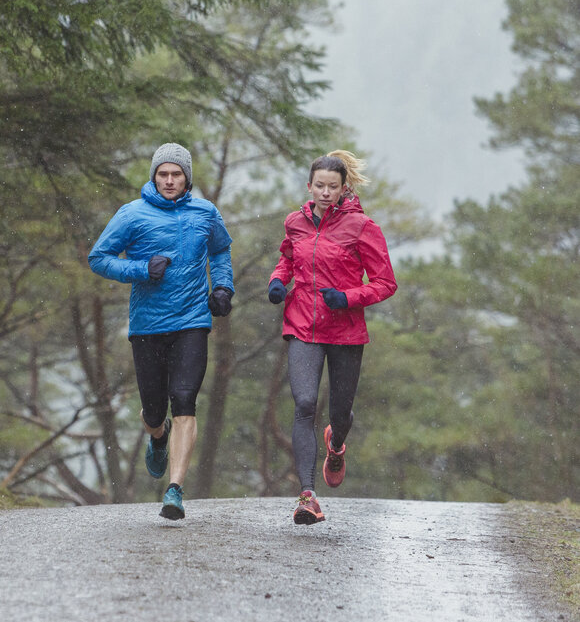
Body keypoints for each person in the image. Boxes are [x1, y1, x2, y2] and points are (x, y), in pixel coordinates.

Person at [88, 142, 234, 520]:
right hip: (148, 324)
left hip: (192, 321)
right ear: (154, 176)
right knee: (154, 409)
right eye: (163, 174)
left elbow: (220, 252)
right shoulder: (132, 214)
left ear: (187, 178)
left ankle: (174, 490)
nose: (169, 180)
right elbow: (98, 258)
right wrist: (139, 269)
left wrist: (222, 287)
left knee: (185, 397)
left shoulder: (205, 212)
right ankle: (158, 434)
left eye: (176, 174)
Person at [267, 150, 397, 525]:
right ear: (309, 187)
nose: (325, 192)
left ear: (344, 189)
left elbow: (386, 283)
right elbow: (288, 259)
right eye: (319, 186)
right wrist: (278, 281)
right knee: (304, 403)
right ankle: (307, 497)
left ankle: (336, 442)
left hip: (344, 330)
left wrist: (347, 297)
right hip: (302, 325)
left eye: (332, 187)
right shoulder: (295, 222)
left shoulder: (362, 227)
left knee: (339, 412)